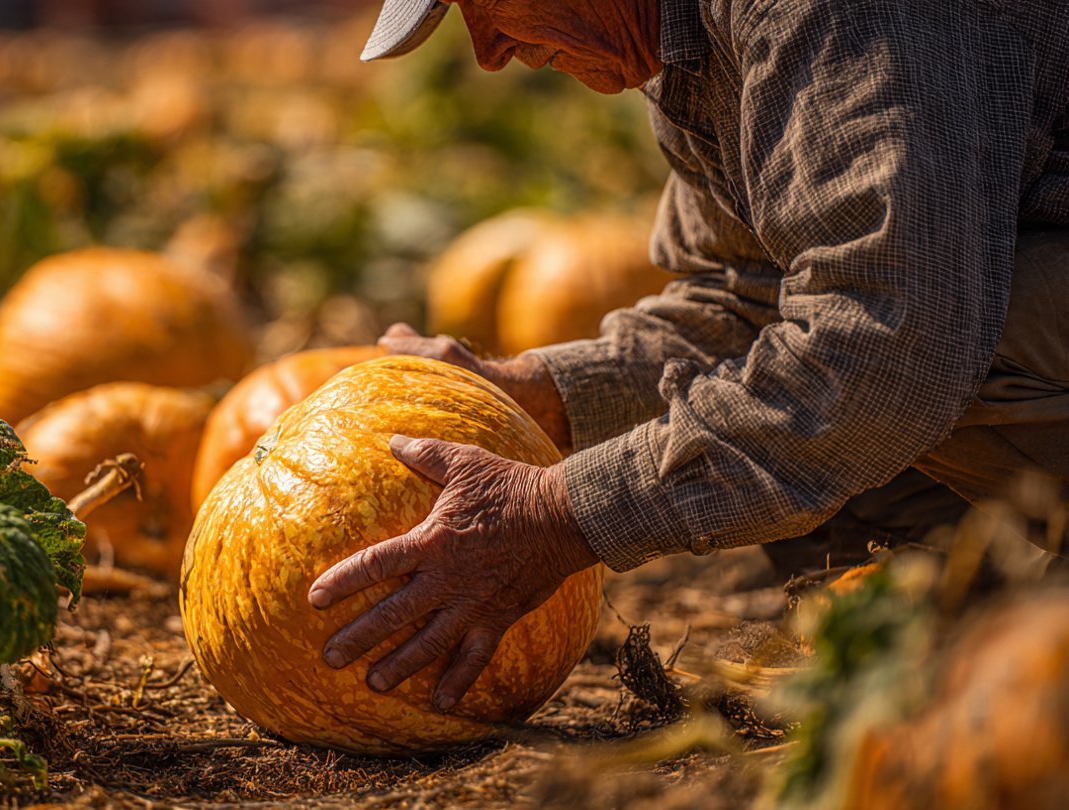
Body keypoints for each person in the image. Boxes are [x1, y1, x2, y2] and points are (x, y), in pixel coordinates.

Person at [307, 0, 1069, 713]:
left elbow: (886, 340)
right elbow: (747, 300)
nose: (488, 54)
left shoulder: (817, 14)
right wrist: (535, 395)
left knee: (955, 335)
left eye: (486, 4)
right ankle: (975, 614)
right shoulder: (685, 46)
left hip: (946, 329)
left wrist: (561, 515)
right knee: (823, 361)